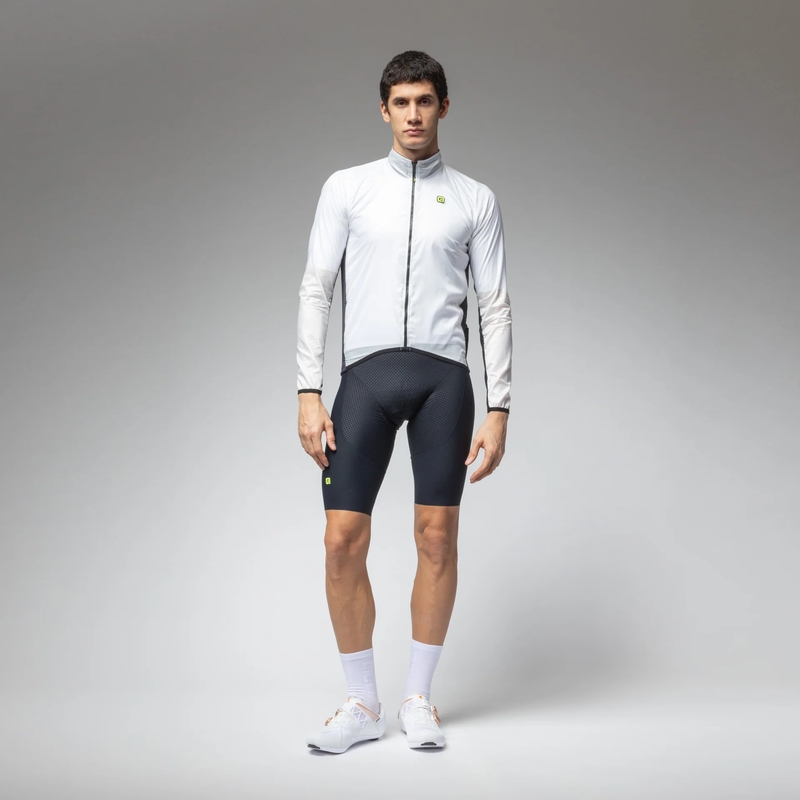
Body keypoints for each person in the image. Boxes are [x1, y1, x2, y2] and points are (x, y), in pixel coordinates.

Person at [297, 50, 512, 753]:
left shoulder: (475, 199)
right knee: (340, 542)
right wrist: (307, 390)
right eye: (401, 103)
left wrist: (500, 407)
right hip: (364, 380)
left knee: (437, 536)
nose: (413, 115)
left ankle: (419, 699)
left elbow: (494, 305)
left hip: (444, 382)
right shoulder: (348, 188)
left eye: (425, 101)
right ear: (384, 110)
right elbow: (317, 287)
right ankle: (362, 704)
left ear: (443, 107)